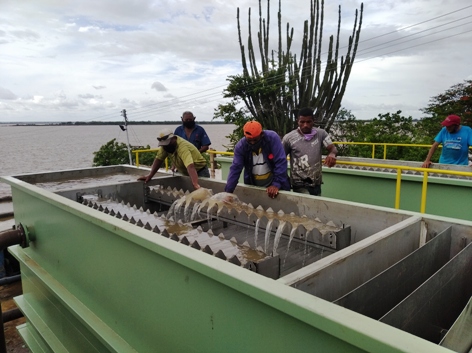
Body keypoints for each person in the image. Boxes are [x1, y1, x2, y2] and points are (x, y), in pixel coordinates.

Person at [224, 121, 290, 199]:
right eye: (249, 140)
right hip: (254, 185)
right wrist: (228, 192)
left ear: (261, 135)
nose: (252, 143)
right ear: (245, 136)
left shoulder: (272, 138)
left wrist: (276, 184)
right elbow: (235, 168)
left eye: (255, 140)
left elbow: (280, 161)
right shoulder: (241, 147)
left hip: (275, 184)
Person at [282, 107, 337, 196]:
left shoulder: (321, 134)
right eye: (302, 122)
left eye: (308, 122)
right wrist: (284, 177)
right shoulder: (289, 138)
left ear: (313, 121)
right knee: (306, 206)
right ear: (297, 121)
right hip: (299, 183)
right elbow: (281, 158)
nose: (305, 125)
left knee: (316, 207)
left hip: (316, 182)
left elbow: (332, 148)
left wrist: (332, 154)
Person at [138, 128, 210, 190]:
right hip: (185, 172)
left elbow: (190, 166)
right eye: (163, 145)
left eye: (167, 144)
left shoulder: (182, 147)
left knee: (202, 194)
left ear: (174, 139)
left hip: (199, 171)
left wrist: (195, 183)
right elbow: (158, 160)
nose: (165, 147)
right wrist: (150, 176)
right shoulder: (165, 147)